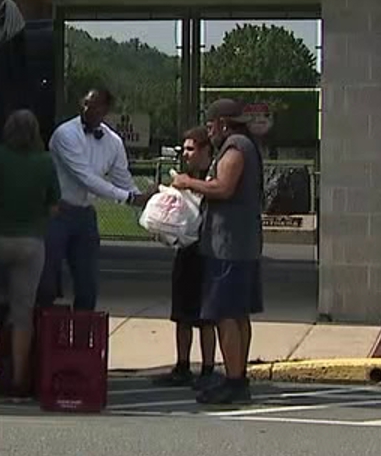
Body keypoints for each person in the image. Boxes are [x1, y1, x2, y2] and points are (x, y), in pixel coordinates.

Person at [171, 98, 264, 406]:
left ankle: (236, 381)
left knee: (226, 314)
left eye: (211, 126)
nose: (209, 132)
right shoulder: (244, 145)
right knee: (237, 314)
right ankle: (236, 377)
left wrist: (189, 182)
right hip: (240, 243)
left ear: (223, 123)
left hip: (230, 247)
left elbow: (224, 188)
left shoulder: (236, 147)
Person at [0, 110, 60, 398]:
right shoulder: (45, 162)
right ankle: (19, 379)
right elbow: (53, 207)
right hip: (30, 244)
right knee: (23, 313)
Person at [45, 88, 148, 312]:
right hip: (57, 212)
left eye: (96, 105)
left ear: (106, 110)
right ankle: (44, 335)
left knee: (88, 283)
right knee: (47, 280)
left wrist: (146, 207)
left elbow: (123, 178)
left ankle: (82, 337)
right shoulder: (65, 134)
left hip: (85, 214)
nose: (88, 109)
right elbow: (85, 178)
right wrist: (129, 198)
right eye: (86, 103)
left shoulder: (113, 141)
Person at [157, 126, 218, 389]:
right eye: (184, 149)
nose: (186, 154)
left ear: (205, 150)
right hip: (185, 249)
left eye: (191, 149)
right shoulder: (183, 176)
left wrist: (191, 186)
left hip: (208, 250)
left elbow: (218, 192)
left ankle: (207, 368)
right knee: (181, 313)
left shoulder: (215, 173)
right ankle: (182, 366)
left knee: (207, 316)